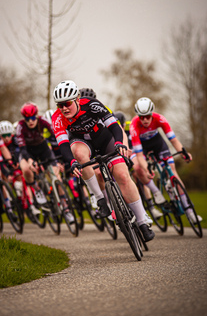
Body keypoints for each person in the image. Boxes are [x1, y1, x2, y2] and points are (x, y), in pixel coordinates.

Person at [51, 80, 155, 242]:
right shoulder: (57, 117)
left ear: (77, 99)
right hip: (83, 144)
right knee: (76, 152)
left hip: (104, 139)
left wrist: (119, 143)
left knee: (122, 175)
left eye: (67, 103)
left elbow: (114, 125)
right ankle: (100, 198)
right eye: (60, 105)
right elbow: (63, 144)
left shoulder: (92, 104)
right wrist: (72, 162)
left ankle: (142, 221)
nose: (64, 108)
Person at [130, 97, 202, 223]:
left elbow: (173, 140)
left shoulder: (160, 119)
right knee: (138, 169)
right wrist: (146, 169)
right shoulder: (134, 125)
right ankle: (156, 192)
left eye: (147, 116)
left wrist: (184, 153)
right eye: (142, 117)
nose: (145, 120)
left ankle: (189, 211)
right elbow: (140, 155)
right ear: (138, 116)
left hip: (158, 144)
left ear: (152, 114)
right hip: (143, 147)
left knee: (173, 171)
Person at [16, 102, 74, 223]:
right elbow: (22, 148)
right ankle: (37, 190)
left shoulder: (43, 121)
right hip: (28, 151)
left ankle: (66, 209)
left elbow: (56, 134)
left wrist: (60, 159)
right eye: (27, 119)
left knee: (56, 177)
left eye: (33, 118)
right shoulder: (20, 127)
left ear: (36, 116)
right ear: (24, 118)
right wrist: (30, 160)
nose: (31, 121)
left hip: (43, 149)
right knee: (26, 169)